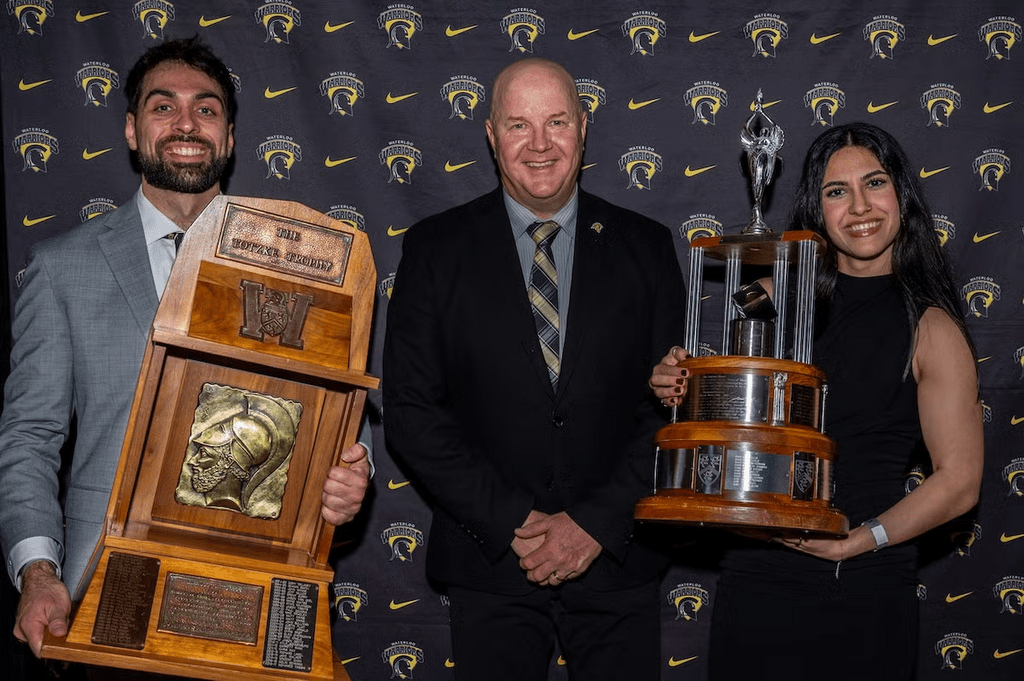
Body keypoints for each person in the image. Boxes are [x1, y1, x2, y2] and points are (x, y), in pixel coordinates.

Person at [0, 38, 371, 660]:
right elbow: (30, 438)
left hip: (257, 588)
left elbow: (322, 418)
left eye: (206, 109)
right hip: (103, 592)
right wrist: (38, 572)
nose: (185, 124)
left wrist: (344, 476)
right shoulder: (62, 269)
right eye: (162, 106)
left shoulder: (305, 267)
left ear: (228, 136)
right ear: (130, 129)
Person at [382, 58, 686, 680]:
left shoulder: (647, 247)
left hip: (618, 562)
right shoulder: (435, 249)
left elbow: (673, 408)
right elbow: (412, 412)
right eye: (519, 125)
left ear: (583, 127)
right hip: (490, 563)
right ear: (492, 135)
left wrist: (595, 524)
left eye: (557, 122)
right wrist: (512, 520)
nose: (541, 144)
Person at [650, 122, 983, 679]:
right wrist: (678, 382)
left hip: (861, 583)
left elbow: (961, 481)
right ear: (816, 207)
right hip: (757, 576)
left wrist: (860, 541)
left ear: (900, 194)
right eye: (836, 191)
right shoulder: (768, 295)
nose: (859, 207)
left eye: (874, 183)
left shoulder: (930, 326)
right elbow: (729, 405)